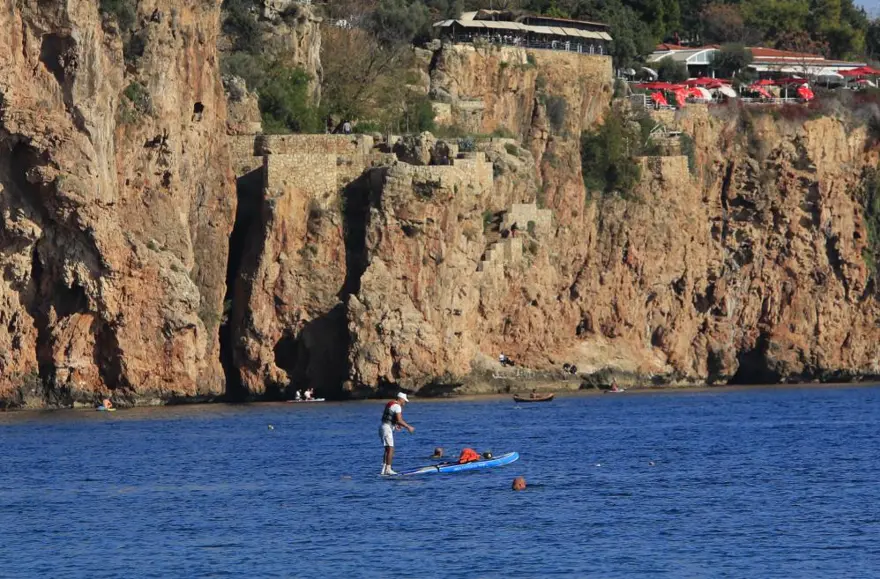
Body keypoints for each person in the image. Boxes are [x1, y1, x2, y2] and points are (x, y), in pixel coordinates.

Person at [379, 392, 415, 475]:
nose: (405, 403)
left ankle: (384, 469)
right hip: (387, 428)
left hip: (382, 427)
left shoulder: (390, 404)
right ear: (400, 399)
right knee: (391, 449)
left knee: (387, 449)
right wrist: (408, 427)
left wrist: (395, 425)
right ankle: (388, 469)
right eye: (404, 401)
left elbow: (391, 417)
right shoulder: (397, 406)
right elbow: (399, 420)